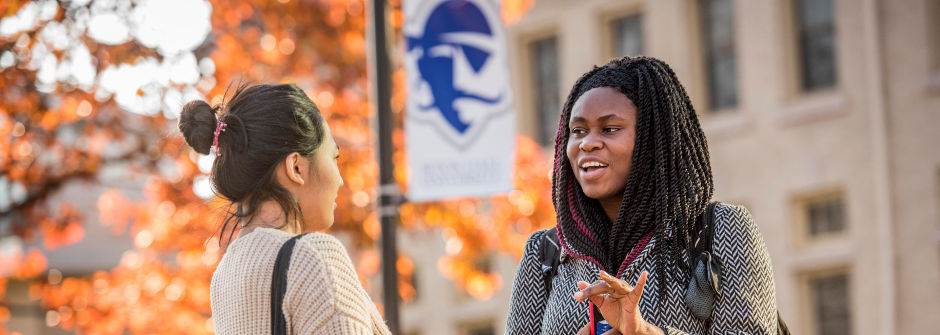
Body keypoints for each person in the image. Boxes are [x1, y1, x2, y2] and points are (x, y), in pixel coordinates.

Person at [505, 57, 780, 334]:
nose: (587, 143)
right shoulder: (544, 252)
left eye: (609, 129)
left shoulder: (721, 229)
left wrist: (646, 333)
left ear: (652, 140)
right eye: (578, 131)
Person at [178, 83, 391, 334]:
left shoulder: (225, 276)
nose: (340, 179)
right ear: (296, 168)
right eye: (334, 158)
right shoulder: (312, 257)